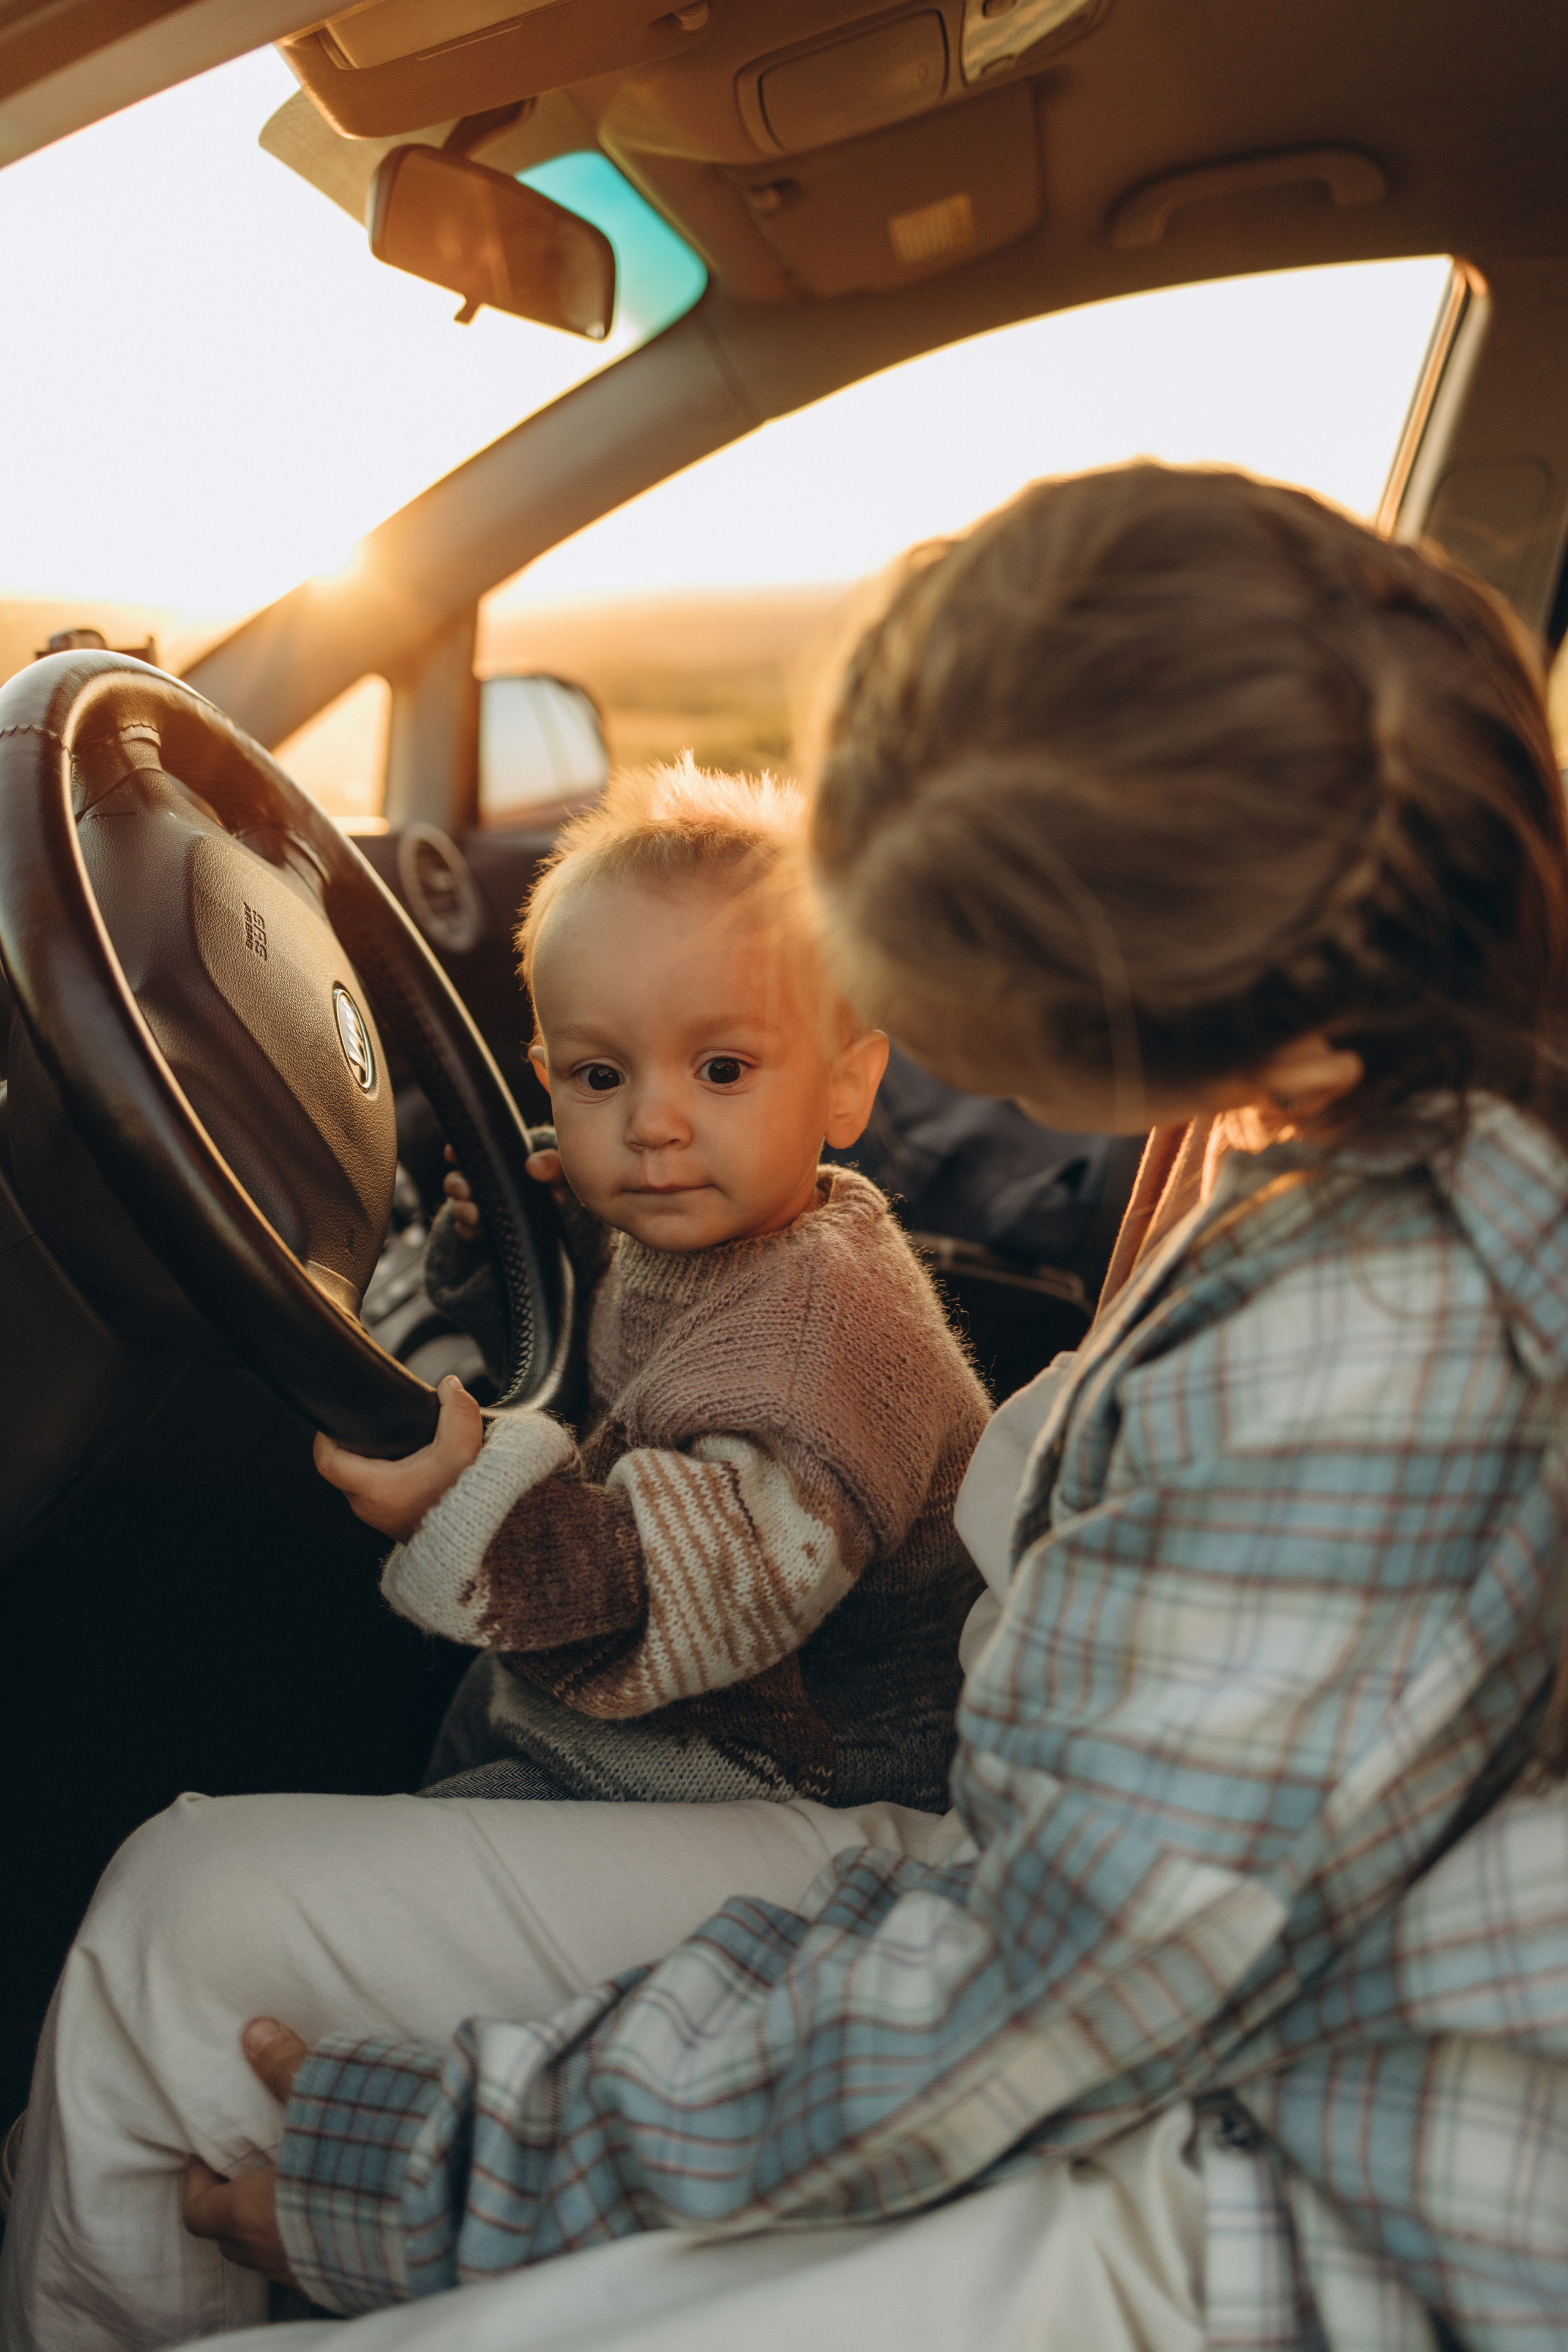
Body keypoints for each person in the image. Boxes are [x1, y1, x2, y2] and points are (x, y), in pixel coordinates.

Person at [8, 461, 1568, 2352]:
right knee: (184, 1924)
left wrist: (434, 2176)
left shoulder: (1390, 1328)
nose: (853, 900)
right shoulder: (1316, 1144)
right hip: (1069, 1929)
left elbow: (1025, 2002)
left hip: (1276, 2190)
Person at [315, 761, 987, 1813]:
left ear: (847, 1085)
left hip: (800, 1770)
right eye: (601, 1077)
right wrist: (520, 1232)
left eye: (722, 1069)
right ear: (548, 1077)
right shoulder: (707, 1223)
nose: (652, 1124)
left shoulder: (819, 1342)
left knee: (431, 1818)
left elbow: (693, 1601)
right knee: (463, 1722)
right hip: (673, 1722)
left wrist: (463, 1510)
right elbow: (582, 1343)